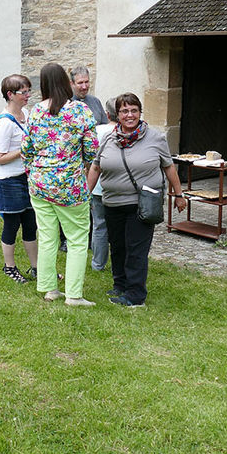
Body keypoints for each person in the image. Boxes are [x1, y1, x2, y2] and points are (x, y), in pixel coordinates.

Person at [86, 93, 187, 307]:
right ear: (118, 114)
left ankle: (135, 294)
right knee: (118, 246)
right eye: (124, 111)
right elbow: (95, 166)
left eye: (134, 110)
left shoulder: (155, 138)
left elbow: (169, 167)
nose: (129, 115)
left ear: (140, 113)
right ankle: (120, 284)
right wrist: (85, 192)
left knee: (136, 249)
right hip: (112, 203)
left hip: (140, 204)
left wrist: (179, 195)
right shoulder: (108, 138)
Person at [22, 63, 99, 306]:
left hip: (40, 183)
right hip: (70, 185)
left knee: (47, 236)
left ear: (43, 84)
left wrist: (36, 171)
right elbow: (91, 149)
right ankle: (73, 295)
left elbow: (26, 150)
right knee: (77, 238)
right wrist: (77, 164)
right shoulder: (79, 111)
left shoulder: (35, 111)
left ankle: (49, 289)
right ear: (66, 82)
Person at [0, 74, 38, 284]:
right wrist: (23, 150)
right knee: (11, 225)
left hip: (24, 177)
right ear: (10, 95)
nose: (28, 95)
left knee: (30, 224)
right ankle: (9, 267)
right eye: (23, 92)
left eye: (29, 91)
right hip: (7, 181)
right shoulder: (5, 123)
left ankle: (37, 268)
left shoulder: (26, 113)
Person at [89, 97, 117, 272]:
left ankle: (98, 263)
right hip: (120, 188)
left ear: (107, 114)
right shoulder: (128, 131)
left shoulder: (97, 131)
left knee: (99, 225)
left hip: (98, 186)